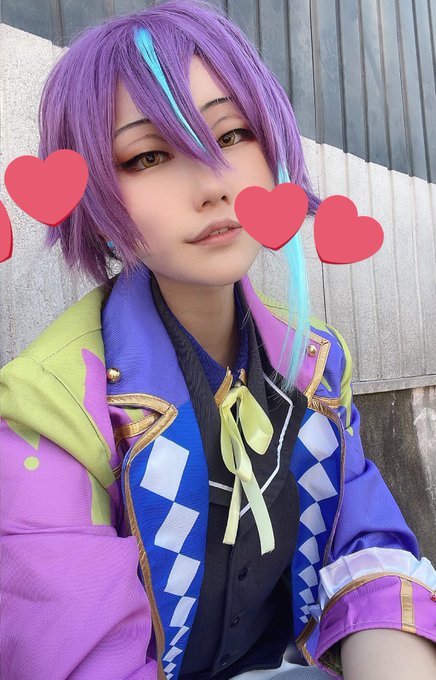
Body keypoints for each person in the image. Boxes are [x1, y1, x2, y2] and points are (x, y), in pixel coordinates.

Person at [0, 1, 435, 679]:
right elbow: (74, 654)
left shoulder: (315, 364)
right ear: (90, 190)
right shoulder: (48, 411)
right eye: (148, 155)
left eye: (231, 135)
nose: (211, 183)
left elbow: (365, 547)